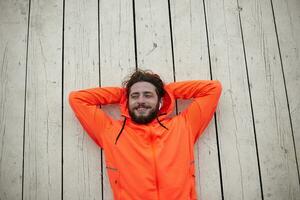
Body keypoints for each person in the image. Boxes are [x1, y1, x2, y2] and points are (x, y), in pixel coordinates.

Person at [69, 69, 222, 200]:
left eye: (148, 95)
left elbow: (212, 89)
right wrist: (122, 94)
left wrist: (168, 91)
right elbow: (77, 99)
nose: (140, 101)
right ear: (126, 101)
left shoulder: (184, 126)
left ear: (160, 100)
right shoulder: (110, 131)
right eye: (134, 96)